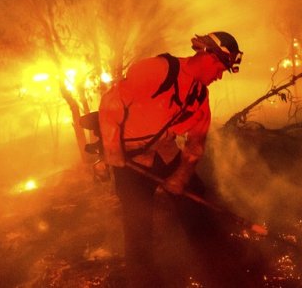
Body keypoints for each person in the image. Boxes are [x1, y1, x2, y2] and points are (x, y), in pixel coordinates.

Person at [96, 32, 243, 287]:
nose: (220, 75)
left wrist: (181, 176)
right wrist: (112, 151)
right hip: (130, 159)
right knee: (138, 225)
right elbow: (111, 104)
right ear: (208, 55)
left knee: (196, 198)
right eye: (221, 67)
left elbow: (196, 143)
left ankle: (216, 267)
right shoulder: (156, 69)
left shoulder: (200, 97)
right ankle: (144, 281)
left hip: (165, 153)